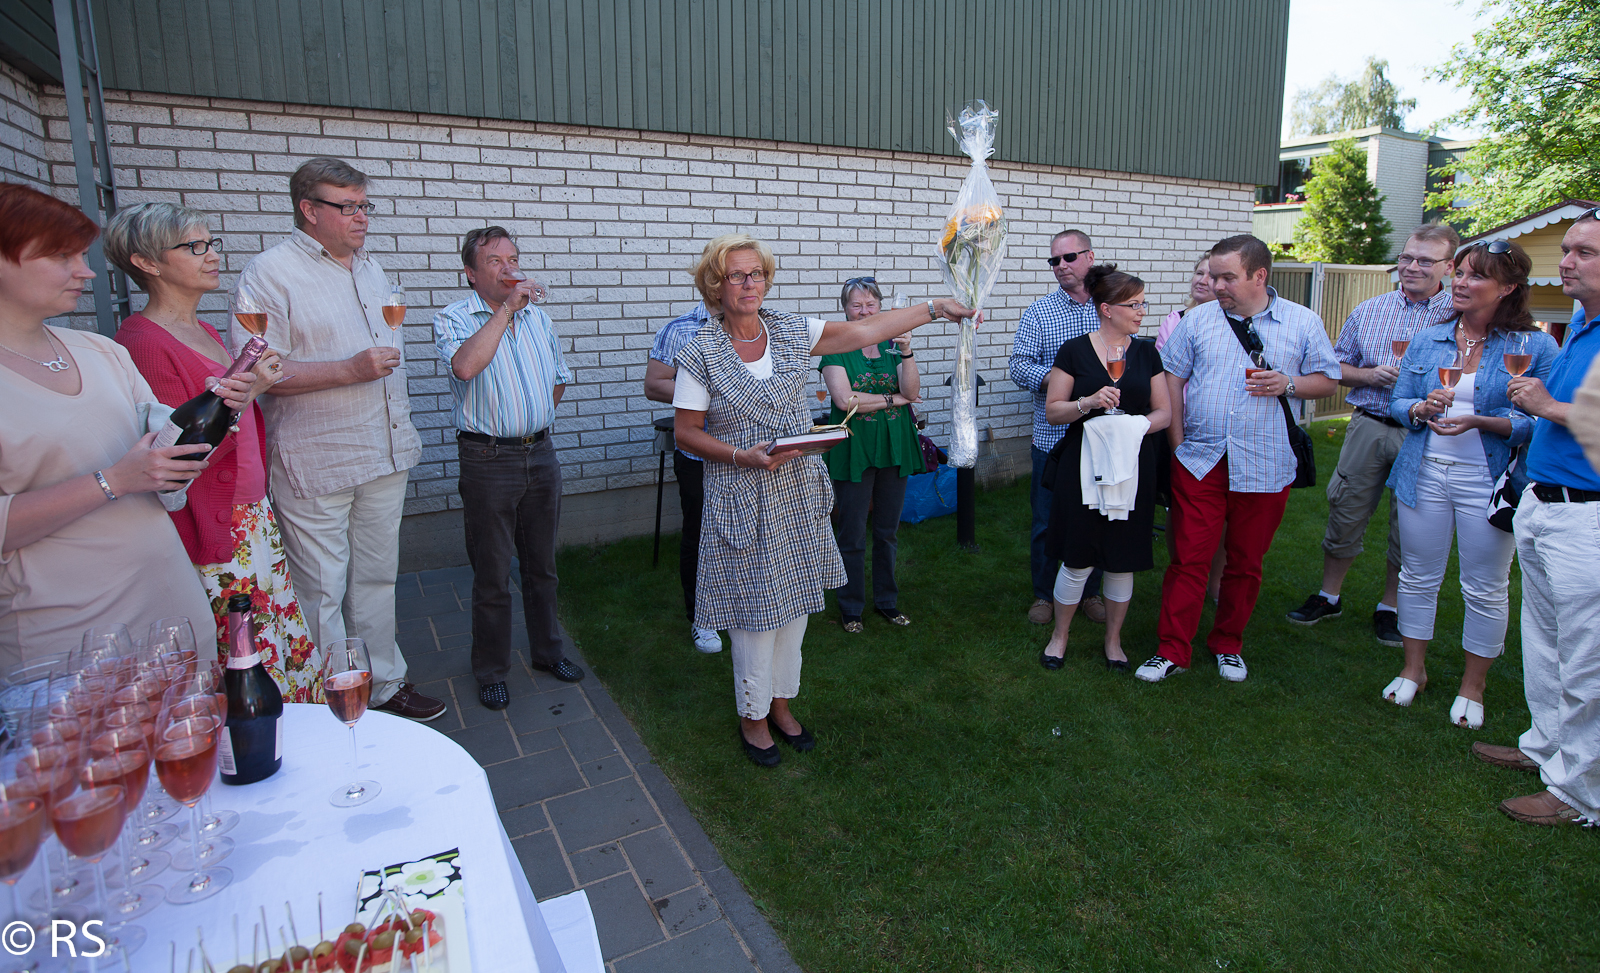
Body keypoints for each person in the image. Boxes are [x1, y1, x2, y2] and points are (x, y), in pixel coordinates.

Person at [670, 234, 973, 767]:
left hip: (798, 495)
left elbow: (863, 330)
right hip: (742, 496)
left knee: (794, 611)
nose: (749, 284)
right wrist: (741, 456)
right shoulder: (699, 350)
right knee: (754, 616)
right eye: (736, 275)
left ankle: (781, 704)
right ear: (716, 285)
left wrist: (933, 309)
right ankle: (752, 715)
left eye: (757, 273)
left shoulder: (789, 329)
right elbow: (686, 432)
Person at [231, 157, 444, 722]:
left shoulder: (372, 269)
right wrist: (347, 370)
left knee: (375, 578)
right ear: (309, 209)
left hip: (385, 451)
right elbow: (259, 369)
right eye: (347, 207)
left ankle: (384, 684)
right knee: (321, 589)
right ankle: (328, 701)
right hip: (317, 460)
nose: (361, 217)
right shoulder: (270, 274)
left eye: (364, 205)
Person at [105, 202, 322, 702]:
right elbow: (178, 453)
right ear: (147, 262)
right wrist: (248, 394)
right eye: (194, 246)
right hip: (216, 522)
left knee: (276, 638)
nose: (212, 256)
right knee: (244, 655)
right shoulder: (143, 343)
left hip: (249, 513)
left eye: (211, 243)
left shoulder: (200, 328)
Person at [0, 183, 213, 670]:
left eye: (81, 254)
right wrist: (112, 481)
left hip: (169, 602)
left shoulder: (101, 352)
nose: (86, 271)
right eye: (61, 256)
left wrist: (216, 410)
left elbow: (165, 460)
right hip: (68, 633)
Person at [1137, 235, 1340, 684]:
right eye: (1213, 276)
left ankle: (1228, 644)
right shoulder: (1197, 320)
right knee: (1188, 559)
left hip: (1266, 463)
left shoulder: (1302, 321)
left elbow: (1328, 379)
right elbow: (1173, 379)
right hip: (1200, 460)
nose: (1216, 285)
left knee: (1245, 563)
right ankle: (1172, 650)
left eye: (1227, 277)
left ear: (1259, 275)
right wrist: (1178, 445)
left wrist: (1288, 383)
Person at [1383, 240, 1556, 729]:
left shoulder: (1535, 347)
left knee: (1485, 586)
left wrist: (1482, 421)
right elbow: (1398, 402)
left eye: (1476, 275)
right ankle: (1413, 670)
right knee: (1417, 576)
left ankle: (1472, 686)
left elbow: (1541, 421)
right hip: (1424, 472)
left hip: (1489, 480)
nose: (1460, 282)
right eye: (1459, 272)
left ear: (1508, 288)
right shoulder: (1429, 338)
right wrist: (1419, 408)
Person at [1479, 210, 1600, 825]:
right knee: (1546, 640)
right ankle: (1546, 748)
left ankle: (1579, 794)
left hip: (1589, 519)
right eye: (1568, 248)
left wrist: (1549, 406)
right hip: (1544, 502)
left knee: (1587, 659)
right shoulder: (1582, 322)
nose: (1567, 261)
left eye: (1585, 253)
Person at [1287, 224, 1461, 644]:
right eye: (1406, 258)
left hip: (1424, 434)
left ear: (1449, 266)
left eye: (1425, 260)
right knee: (1345, 508)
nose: (1412, 267)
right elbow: (1334, 367)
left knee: (1410, 522)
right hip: (1369, 423)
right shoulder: (1370, 310)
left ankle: (1390, 607)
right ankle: (1329, 596)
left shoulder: (1458, 315)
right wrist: (1368, 375)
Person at [434, 227, 583, 711]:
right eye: (495, 261)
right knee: (493, 573)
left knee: (542, 567)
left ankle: (548, 652)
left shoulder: (539, 317)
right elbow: (465, 367)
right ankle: (492, 670)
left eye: (513, 258)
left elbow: (558, 378)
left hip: (539, 453)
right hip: (487, 459)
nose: (509, 268)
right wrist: (506, 311)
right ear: (471, 273)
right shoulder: (454, 317)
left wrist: (532, 419)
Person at [1039, 265, 1170, 672]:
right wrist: (1089, 403)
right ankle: (1060, 636)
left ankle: (1113, 640)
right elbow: (1054, 411)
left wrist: (1131, 427)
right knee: (1077, 555)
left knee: (1121, 556)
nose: (1142, 312)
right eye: (1134, 305)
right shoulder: (1074, 351)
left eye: (1143, 303)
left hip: (1132, 465)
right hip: (1083, 464)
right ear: (1107, 309)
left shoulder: (1147, 353)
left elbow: (1164, 413)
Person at [819, 277, 925, 633]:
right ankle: (851, 607)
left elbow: (913, 388)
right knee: (851, 533)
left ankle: (887, 601)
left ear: (880, 307)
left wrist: (906, 350)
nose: (864, 311)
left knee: (887, 531)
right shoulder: (835, 347)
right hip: (855, 447)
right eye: (856, 305)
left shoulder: (893, 345)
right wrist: (895, 400)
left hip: (895, 445)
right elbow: (845, 400)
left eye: (870, 304)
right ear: (845, 310)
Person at [1009, 229, 1103, 626]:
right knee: (1047, 521)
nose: (1060, 266)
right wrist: (1062, 380)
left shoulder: (1109, 306)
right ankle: (1045, 595)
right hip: (1054, 438)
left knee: (1098, 517)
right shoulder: (1040, 312)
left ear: (1090, 257)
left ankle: (1090, 592)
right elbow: (1019, 367)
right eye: (1054, 261)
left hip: (1102, 436)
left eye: (1068, 257)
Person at [644, 300, 721, 653]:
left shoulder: (754, 324)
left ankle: (738, 607)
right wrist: (708, 396)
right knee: (701, 533)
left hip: (746, 452)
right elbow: (654, 385)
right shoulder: (680, 330)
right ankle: (702, 618)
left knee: (744, 532)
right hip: (698, 452)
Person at [1156, 254, 1223, 599]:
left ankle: (1216, 581)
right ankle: (1182, 569)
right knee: (1179, 506)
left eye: (1211, 275)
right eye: (1199, 273)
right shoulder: (1177, 320)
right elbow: (1170, 376)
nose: (1202, 280)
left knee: (1224, 514)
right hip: (1180, 428)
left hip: (1218, 430)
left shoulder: (1237, 325)